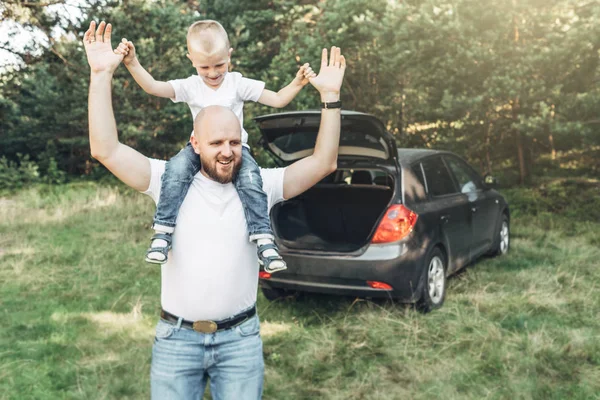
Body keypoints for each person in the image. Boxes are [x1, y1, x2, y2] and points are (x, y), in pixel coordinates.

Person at [83, 20, 346, 400]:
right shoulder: (165, 180)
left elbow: (324, 163)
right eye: (217, 142)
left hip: (240, 340)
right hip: (176, 340)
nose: (227, 150)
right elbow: (104, 149)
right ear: (194, 141)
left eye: (235, 141)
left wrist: (330, 98)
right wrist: (101, 73)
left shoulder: (262, 185)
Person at [115, 20, 315, 273]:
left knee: (251, 180)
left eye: (220, 64)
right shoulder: (190, 85)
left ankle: (264, 239)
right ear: (191, 60)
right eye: (204, 67)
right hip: (197, 149)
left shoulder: (237, 83)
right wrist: (132, 62)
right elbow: (154, 87)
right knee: (174, 171)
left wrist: (297, 82)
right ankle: (163, 233)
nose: (212, 73)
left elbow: (277, 99)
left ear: (229, 55)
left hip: (235, 149)